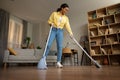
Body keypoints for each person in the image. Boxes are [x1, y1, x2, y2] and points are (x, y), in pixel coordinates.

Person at [45, 3, 73, 68]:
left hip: (60, 31)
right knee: (48, 45)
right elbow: (49, 21)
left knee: (60, 47)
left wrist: (70, 33)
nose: (66, 11)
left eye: (67, 10)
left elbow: (67, 26)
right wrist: (51, 23)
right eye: (66, 10)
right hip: (53, 30)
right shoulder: (54, 14)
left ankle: (58, 62)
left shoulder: (66, 18)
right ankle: (44, 60)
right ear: (62, 8)